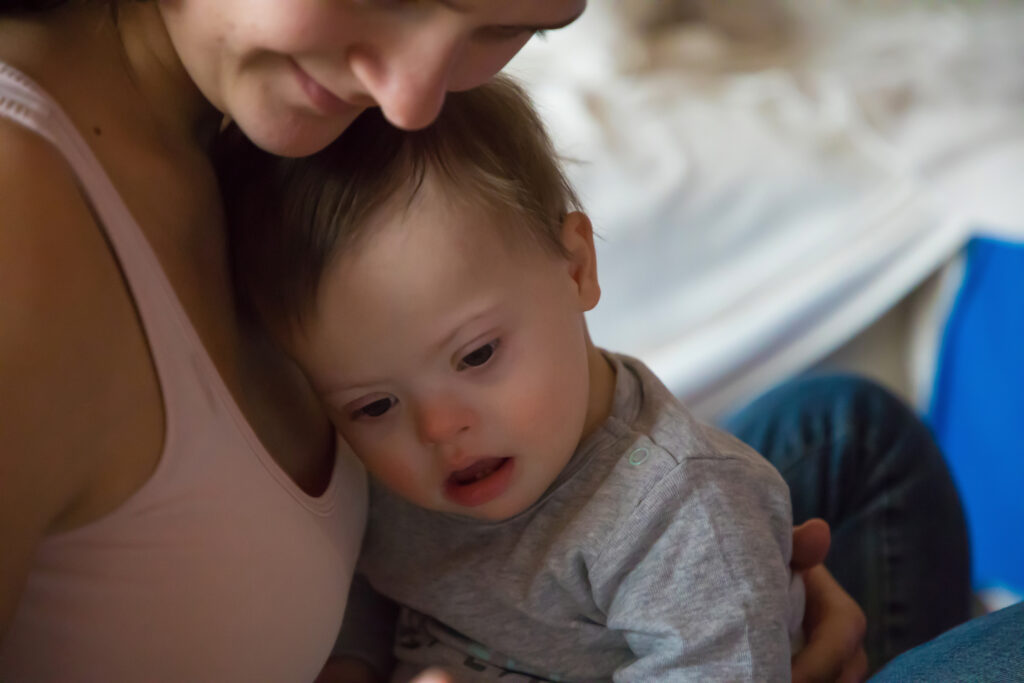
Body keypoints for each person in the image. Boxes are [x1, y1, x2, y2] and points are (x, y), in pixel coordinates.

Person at [0, 0, 975, 680]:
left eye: (508, 29)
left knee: (841, 428)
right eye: (371, 405)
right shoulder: (30, 223)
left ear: (580, 261)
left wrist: (734, 597)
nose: (413, 97)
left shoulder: (254, 133)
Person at [220, 75, 806, 681]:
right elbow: (370, 585)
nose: (439, 427)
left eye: (476, 356)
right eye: (374, 406)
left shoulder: (677, 523)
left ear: (576, 268)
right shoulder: (393, 483)